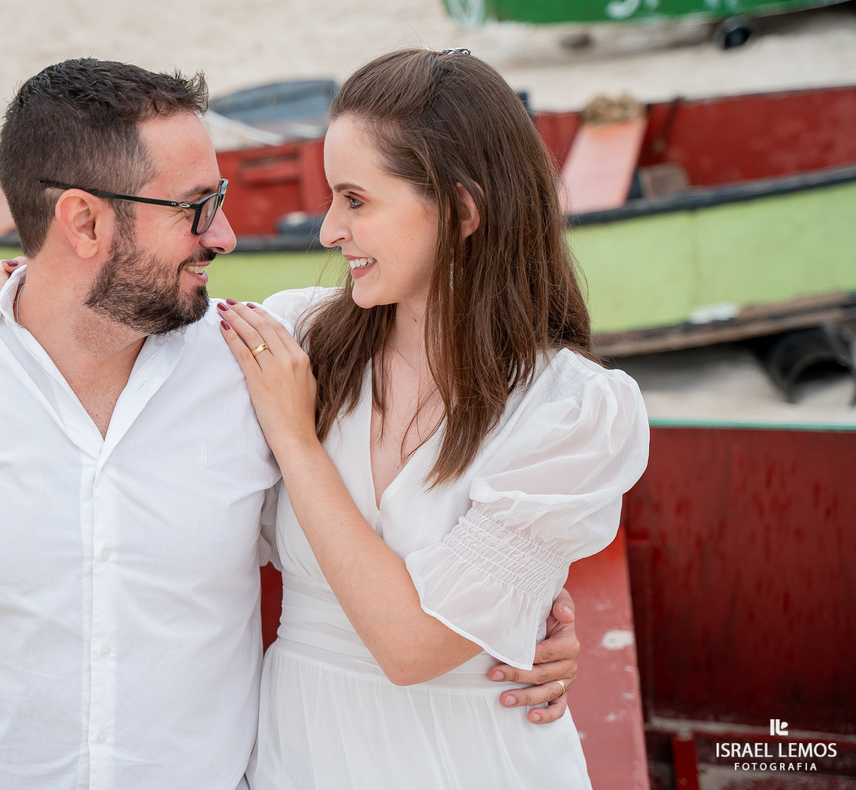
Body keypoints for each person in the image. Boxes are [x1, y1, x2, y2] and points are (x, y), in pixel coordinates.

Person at [0, 58, 579, 790]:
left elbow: (425, 405)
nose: (224, 235)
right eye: (197, 207)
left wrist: (529, 595)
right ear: (83, 224)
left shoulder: (262, 359)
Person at [215, 49, 650, 788]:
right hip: (303, 755)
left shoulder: (572, 411)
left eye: (356, 200)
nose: (327, 231)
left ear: (461, 211)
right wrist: (7, 293)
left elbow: (412, 647)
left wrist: (296, 438)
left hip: (477, 761)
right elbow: (122, 355)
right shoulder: (297, 338)